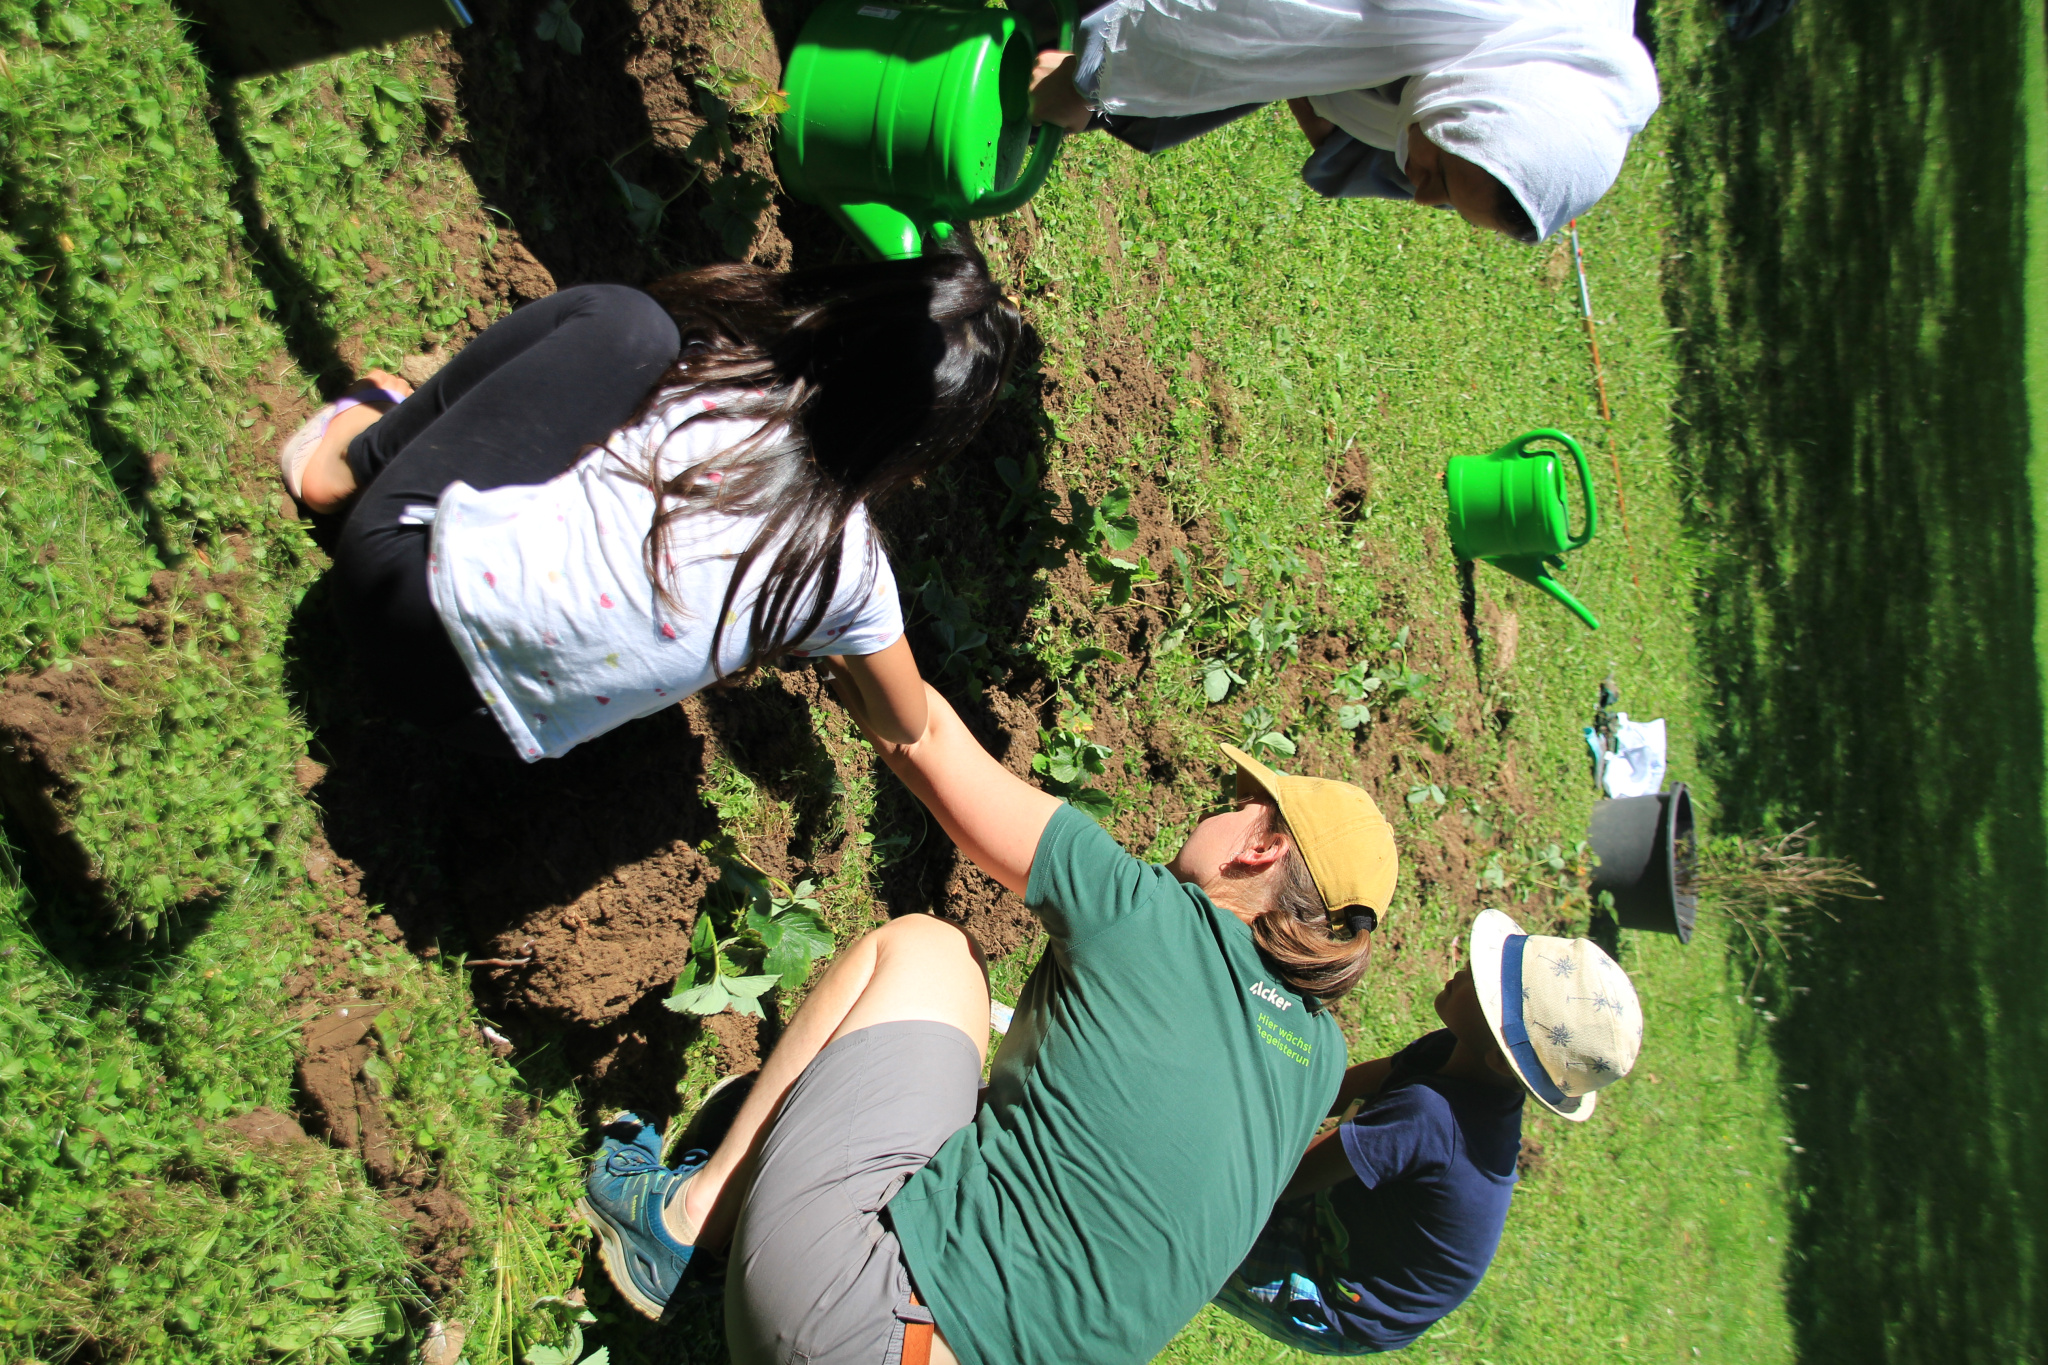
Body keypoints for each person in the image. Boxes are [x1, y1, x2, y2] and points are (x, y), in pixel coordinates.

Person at [579, 720, 1399, 1365]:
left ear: (1262, 848)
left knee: (934, 953)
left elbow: (922, 740)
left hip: (838, 1328)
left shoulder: (1147, 912)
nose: (1212, 808)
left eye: (1237, 800)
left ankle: (684, 1222)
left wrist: (841, 596)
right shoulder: (1319, 1061)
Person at [274, 246, 1020, 761]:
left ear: (847, 311)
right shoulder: (848, 576)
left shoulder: (720, 365)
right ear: (914, 456)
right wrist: (839, 662)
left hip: (391, 588)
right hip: (475, 725)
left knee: (625, 323)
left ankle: (344, 467)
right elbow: (907, 718)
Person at [1212, 908, 1644, 1354]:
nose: (1467, 965)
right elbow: (1325, 1088)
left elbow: (1275, 1181)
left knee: (1186, 1226)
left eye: (1487, 980)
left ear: (1500, 1056)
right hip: (1344, 1224)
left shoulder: (1431, 1117)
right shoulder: (1456, 1055)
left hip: (1342, 1297)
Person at [1026, 0, 1660, 243]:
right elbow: (1240, 15)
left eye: (1443, 201)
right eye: (1436, 173)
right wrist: (1090, 75)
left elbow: (1333, 133)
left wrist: (1290, 76)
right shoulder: (1444, 12)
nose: (1421, 192)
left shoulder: (1507, 115)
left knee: (1160, 107)